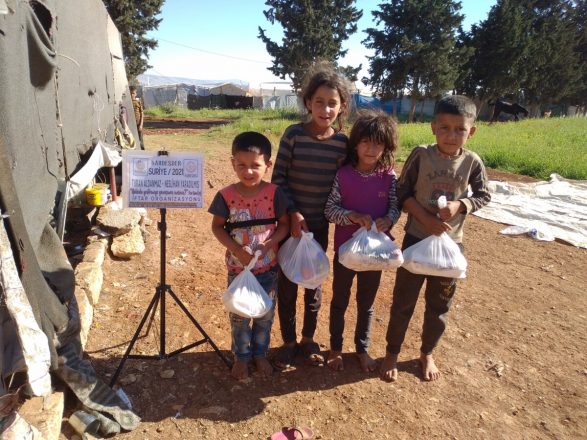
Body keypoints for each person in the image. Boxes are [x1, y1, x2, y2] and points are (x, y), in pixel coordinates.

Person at [380, 95, 491, 382]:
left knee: (440, 305)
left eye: (459, 129)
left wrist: (460, 206)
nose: (451, 135)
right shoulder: (421, 155)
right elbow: (401, 192)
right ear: (433, 127)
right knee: (403, 301)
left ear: (472, 131)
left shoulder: (472, 162)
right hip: (416, 240)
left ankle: (427, 352)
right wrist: (425, 218)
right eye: (444, 128)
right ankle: (392, 352)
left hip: (451, 246)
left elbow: (483, 195)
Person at [271, 62, 353, 369]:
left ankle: (308, 340)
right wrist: (292, 213)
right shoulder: (293, 135)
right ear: (308, 102)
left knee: (313, 283)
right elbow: (278, 180)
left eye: (332, 103)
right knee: (287, 283)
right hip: (290, 226)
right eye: (319, 102)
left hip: (319, 227)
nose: (325, 109)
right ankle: (288, 342)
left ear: (342, 106)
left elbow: (344, 184)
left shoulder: (342, 144)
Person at [209, 131, 290, 380]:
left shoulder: (275, 194)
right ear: (232, 162)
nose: (248, 172)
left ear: (268, 165)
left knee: (265, 316)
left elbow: (284, 224)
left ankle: (260, 354)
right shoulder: (225, 196)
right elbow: (217, 226)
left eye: (255, 166)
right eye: (241, 165)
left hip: (268, 270)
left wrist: (270, 244)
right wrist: (236, 250)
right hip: (238, 270)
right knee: (240, 317)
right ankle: (241, 357)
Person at [324, 110, 400, 373]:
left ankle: (362, 350)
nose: (371, 148)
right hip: (346, 251)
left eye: (377, 143)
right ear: (355, 143)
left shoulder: (389, 177)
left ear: (386, 147)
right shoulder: (343, 174)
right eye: (365, 142)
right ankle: (335, 350)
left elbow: (395, 207)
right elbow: (330, 210)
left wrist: (388, 220)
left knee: (366, 304)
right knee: (339, 301)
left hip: (375, 255)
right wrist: (352, 216)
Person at [129, 86, 145, 150]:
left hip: (138, 124)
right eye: (130, 93)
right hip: (130, 124)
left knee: (140, 140)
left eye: (133, 93)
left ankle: (142, 152)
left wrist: (141, 125)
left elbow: (142, 114)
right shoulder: (127, 103)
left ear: (136, 94)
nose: (132, 95)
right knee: (131, 140)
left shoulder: (138, 102)